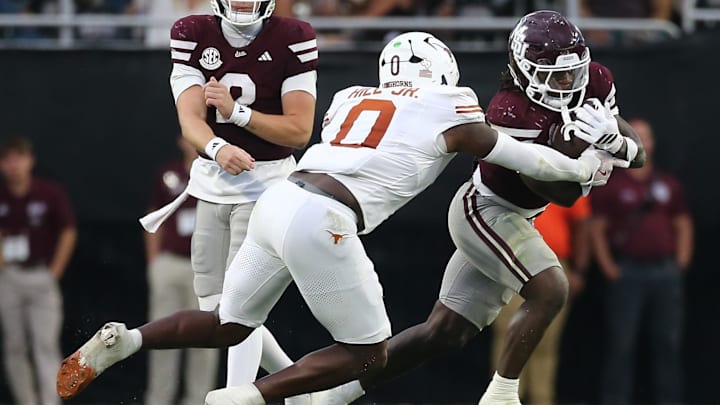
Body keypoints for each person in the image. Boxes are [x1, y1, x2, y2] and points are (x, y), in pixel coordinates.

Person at [56, 30, 615, 404]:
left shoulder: (351, 97)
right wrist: (588, 162)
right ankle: (249, 397)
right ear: (442, 71)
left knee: (229, 323)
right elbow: (527, 159)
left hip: (280, 198)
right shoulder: (449, 103)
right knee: (369, 354)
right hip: (324, 217)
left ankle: (126, 339)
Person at [313, 10, 647, 405]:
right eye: (555, 75)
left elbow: (636, 155)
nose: (567, 83)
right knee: (551, 288)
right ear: (523, 71)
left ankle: (335, 394)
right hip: (485, 210)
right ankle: (502, 394)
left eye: (573, 72)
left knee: (443, 332)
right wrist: (585, 157)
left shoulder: (595, 79)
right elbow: (562, 193)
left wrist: (617, 141)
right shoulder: (508, 111)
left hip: (520, 217)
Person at [137, 0, 319, 400]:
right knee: (216, 310)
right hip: (211, 183)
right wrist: (218, 148)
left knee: (239, 306)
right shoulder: (191, 32)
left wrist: (238, 113)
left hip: (267, 184)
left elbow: (299, 131)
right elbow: (190, 119)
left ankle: (238, 395)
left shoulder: (294, 36)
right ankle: (302, 390)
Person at [590, 118, 693, 405]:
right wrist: (608, 266)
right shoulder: (612, 184)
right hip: (628, 272)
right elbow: (596, 228)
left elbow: (683, 223)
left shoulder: (667, 184)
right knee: (622, 344)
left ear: (653, 143)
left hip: (664, 272)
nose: (642, 141)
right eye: (636, 137)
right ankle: (615, 399)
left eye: (646, 136)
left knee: (667, 344)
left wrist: (680, 262)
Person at [489, 198, 592, 405]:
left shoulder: (569, 178)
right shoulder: (510, 174)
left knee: (546, 340)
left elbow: (582, 224)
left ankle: (541, 399)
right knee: (509, 336)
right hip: (514, 262)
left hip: (554, 264)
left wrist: (579, 270)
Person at [143, 136, 221, 405]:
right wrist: (154, 262)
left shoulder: (218, 175)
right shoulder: (169, 175)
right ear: (181, 141)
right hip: (171, 263)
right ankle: (158, 399)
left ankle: (199, 400)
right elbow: (155, 216)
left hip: (206, 270)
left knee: (206, 339)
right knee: (161, 336)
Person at [0, 136, 77, 405]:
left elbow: (68, 230)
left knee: (45, 346)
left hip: (41, 275)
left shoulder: (48, 192)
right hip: (9, 277)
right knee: (15, 346)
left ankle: (50, 402)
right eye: (8, 160)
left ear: (30, 161)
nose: (13, 165)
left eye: (19, 158)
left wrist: (55, 271)